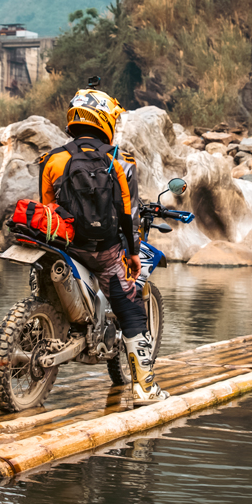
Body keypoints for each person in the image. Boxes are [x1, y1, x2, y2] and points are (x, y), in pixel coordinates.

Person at [38, 84, 168, 405]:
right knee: (131, 309)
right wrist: (133, 254)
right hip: (105, 253)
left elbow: (46, 209)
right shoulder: (119, 161)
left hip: (65, 248)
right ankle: (144, 387)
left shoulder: (51, 160)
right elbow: (128, 214)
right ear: (105, 121)